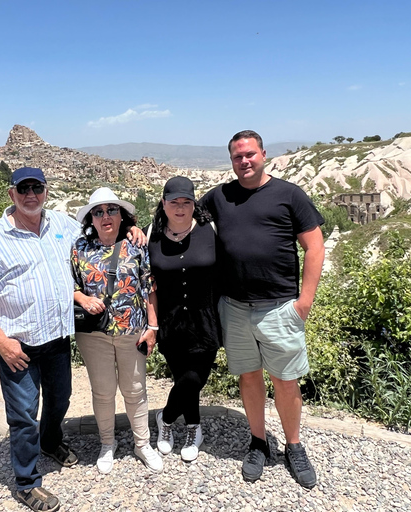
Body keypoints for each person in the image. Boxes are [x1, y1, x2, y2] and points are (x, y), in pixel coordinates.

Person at [0, 168, 145, 512]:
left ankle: (49, 442)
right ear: (11, 194)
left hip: (57, 338)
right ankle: (27, 484)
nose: (31, 195)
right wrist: (0, 341)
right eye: (24, 188)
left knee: (60, 400)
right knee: (24, 414)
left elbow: (101, 229)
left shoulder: (62, 225)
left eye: (37, 188)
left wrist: (132, 228)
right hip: (19, 344)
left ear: (45, 191)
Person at [200, 130, 325, 489]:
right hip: (235, 308)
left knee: (286, 381)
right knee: (249, 376)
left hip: (280, 307)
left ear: (263, 154)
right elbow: (181, 216)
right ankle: (258, 442)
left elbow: (314, 247)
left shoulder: (288, 194)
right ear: (231, 160)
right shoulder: (219, 196)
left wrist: (305, 302)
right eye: (238, 156)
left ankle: (294, 445)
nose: (245, 161)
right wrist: (138, 231)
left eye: (250, 154)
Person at [71, 187, 163, 474]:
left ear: (122, 215)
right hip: (93, 334)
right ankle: (107, 444)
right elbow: (68, 285)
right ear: (91, 219)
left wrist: (153, 327)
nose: (105, 216)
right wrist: (82, 298)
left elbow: (150, 287)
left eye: (111, 210)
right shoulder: (80, 248)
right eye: (98, 212)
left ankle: (142, 443)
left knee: (135, 390)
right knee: (102, 392)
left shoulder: (136, 245)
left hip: (132, 330)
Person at [147, 176, 220, 462]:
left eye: (186, 202)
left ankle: (164, 419)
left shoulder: (210, 229)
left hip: (206, 319)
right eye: (174, 202)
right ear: (163, 204)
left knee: (193, 378)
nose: (180, 208)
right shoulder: (149, 233)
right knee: (181, 378)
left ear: (194, 203)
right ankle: (193, 427)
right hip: (170, 323)